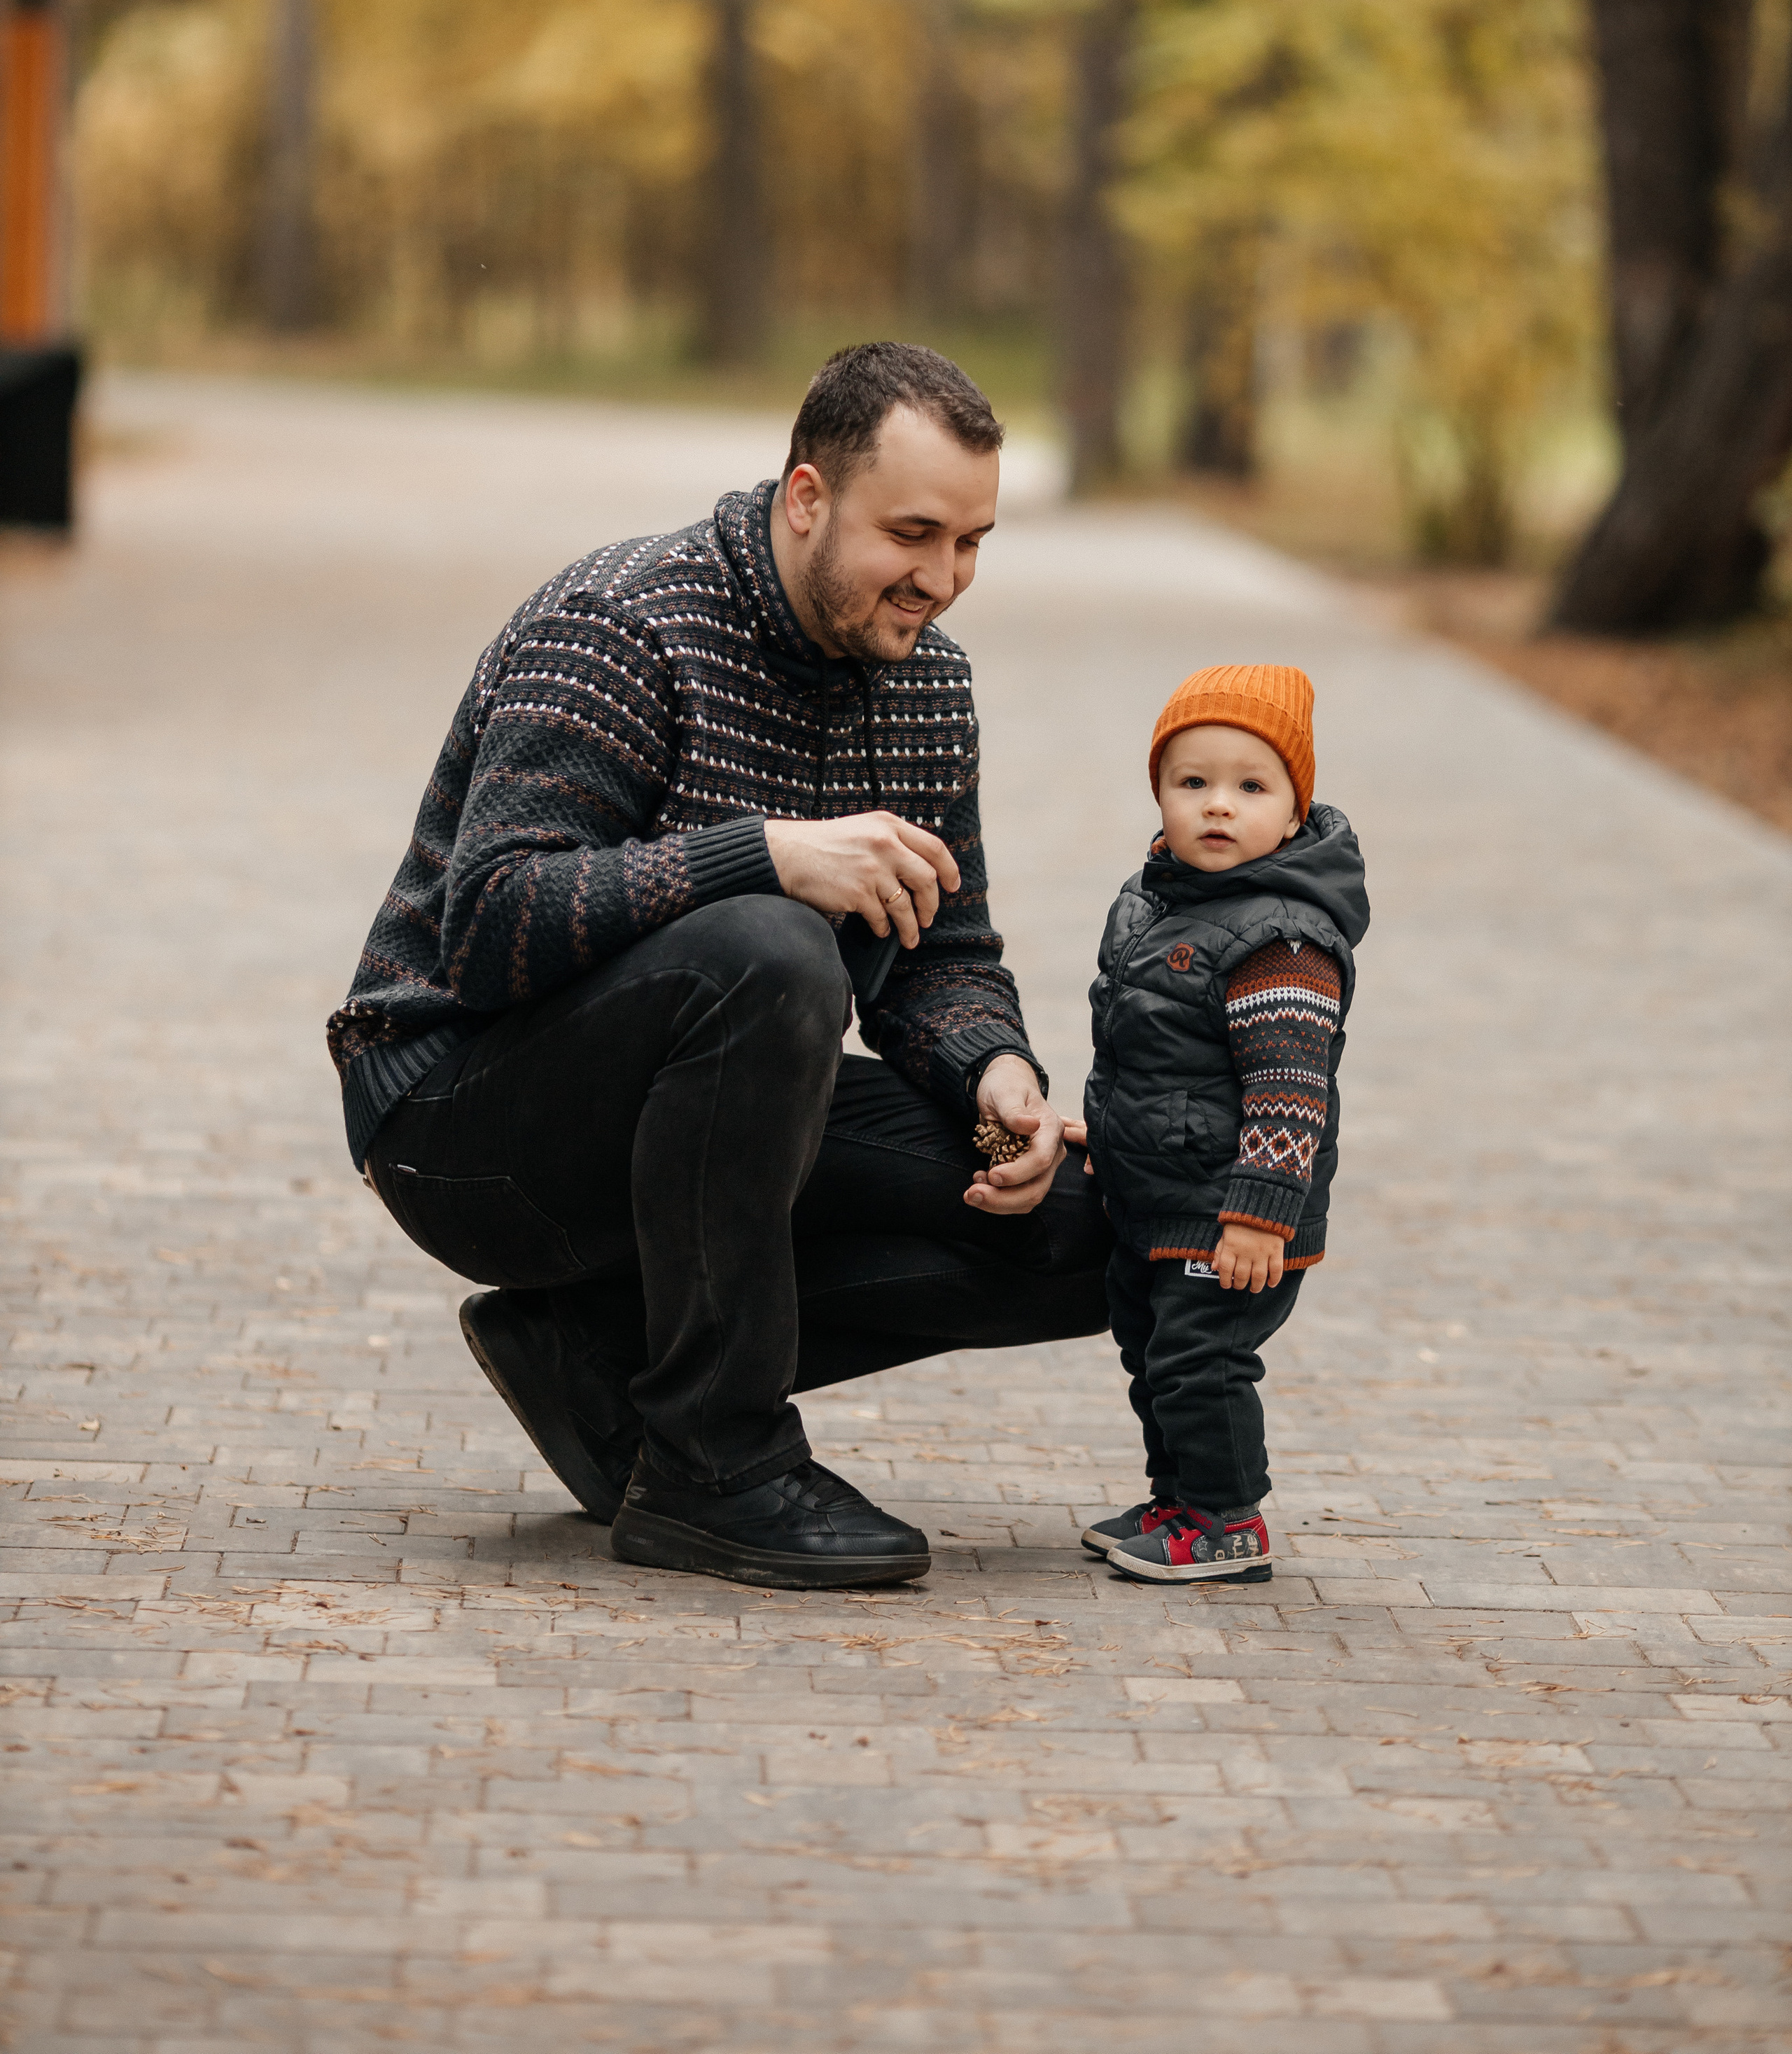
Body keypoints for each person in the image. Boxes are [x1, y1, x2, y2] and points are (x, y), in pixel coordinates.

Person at [327, 342, 1107, 1590]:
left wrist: (994, 1068)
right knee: (773, 947)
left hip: (711, 1095)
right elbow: (487, 927)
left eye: (972, 542)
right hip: (459, 1120)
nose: (944, 580)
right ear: (808, 496)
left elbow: (944, 947)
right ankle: (714, 1462)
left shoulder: (927, 685)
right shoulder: (621, 625)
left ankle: (600, 1355)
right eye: (912, 533)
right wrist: (760, 857)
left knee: (1097, 1224)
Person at [1078, 664, 1369, 1584]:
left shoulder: (1281, 937)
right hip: (1163, 1189)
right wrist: (1111, 1132)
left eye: (1251, 786)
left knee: (1202, 1360)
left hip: (1235, 1212)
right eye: (1192, 782)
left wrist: (1257, 1214)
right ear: (1160, 795)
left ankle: (1226, 1520)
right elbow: (1146, 1052)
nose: (1218, 806)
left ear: (1293, 812)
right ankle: (1178, 1496)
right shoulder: (1155, 905)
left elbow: (1290, 1091)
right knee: (1155, 1350)